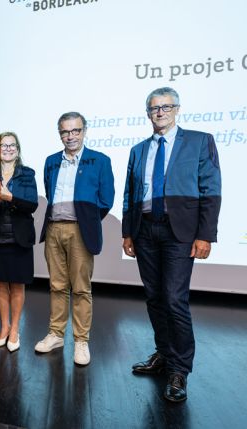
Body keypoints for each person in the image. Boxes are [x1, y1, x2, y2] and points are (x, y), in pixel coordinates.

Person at [122, 87, 221, 402]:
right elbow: (129, 194)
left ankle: (179, 369)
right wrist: (128, 232)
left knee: (174, 299)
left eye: (166, 106)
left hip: (180, 232)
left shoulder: (199, 141)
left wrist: (205, 234)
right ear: (148, 113)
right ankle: (163, 354)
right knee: (154, 297)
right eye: (154, 108)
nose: (160, 112)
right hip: (145, 230)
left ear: (177, 109)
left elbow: (211, 189)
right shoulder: (138, 150)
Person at [34, 112, 114, 366]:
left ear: (84, 130)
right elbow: (50, 192)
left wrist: (86, 220)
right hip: (54, 229)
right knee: (57, 285)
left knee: (80, 288)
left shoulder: (100, 160)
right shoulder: (50, 161)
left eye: (75, 131)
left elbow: (106, 200)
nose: (70, 136)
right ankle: (56, 334)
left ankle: (81, 340)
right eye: (65, 132)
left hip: (80, 230)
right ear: (60, 134)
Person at [0, 132, 38, 353]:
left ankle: (15, 329)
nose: (8, 148)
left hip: (19, 238)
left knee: (17, 285)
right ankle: (3, 328)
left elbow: (32, 205)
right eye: (3, 145)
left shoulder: (27, 174)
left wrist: (10, 198)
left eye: (12, 145)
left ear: (18, 149)